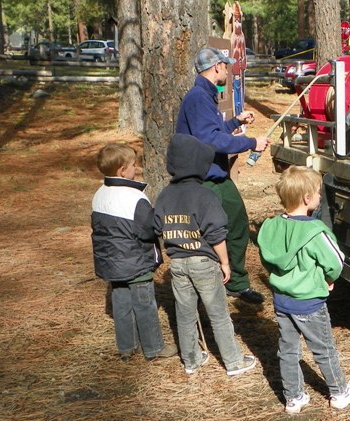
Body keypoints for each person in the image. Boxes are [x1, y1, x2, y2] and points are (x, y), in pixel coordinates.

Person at [257, 166, 350, 413]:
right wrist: (328, 278)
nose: (319, 196)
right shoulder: (315, 231)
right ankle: (339, 393)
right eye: (317, 192)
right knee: (324, 350)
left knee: (287, 350)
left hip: (282, 301)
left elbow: (267, 259)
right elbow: (336, 261)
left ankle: (293, 397)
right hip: (310, 303)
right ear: (307, 198)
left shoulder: (270, 226)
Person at [154, 133, 257, 376]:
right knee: (219, 314)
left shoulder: (164, 195)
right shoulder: (205, 195)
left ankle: (191, 360)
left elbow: (156, 226)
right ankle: (233, 362)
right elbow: (217, 235)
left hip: (177, 264)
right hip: (205, 263)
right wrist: (225, 263)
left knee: (185, 313)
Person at [176, 46, 269, 304]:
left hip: (217, 174)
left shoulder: (207, 95)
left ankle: (236, 284)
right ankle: (209, 287)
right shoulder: (197, 97)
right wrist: (252, 143)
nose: (227, 69)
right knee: (211, 234)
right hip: (203, 178)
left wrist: (236, 122)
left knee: (238, 223)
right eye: (225, 66)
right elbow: (210, 140)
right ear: (216, 67)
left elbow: (213, 130)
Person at [90, 143, 178, 363]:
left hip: (112, 263)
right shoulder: (134, 197)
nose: (135, 169)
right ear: (122, 170)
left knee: (120, 302)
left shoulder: (99, 194)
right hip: (136, 262)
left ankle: (126, 347)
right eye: (133, 165)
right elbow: (147, 230)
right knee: (145, 304)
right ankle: (154, 348)